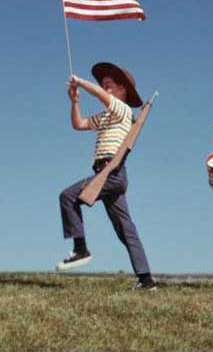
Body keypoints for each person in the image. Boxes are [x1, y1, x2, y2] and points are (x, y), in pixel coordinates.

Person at [56, 63, 158, 290]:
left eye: (110, 86)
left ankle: (80, 248)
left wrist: (81, 82)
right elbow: (79, 124)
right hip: (109, 175)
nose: (106, 89)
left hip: (111, 172)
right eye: (104, 86)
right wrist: (75, 101)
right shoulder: (106, 116)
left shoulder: (122, 109)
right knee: (125, 228)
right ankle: (146, 279)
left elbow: (102, 97)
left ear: (123, 91)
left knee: (68, 197)